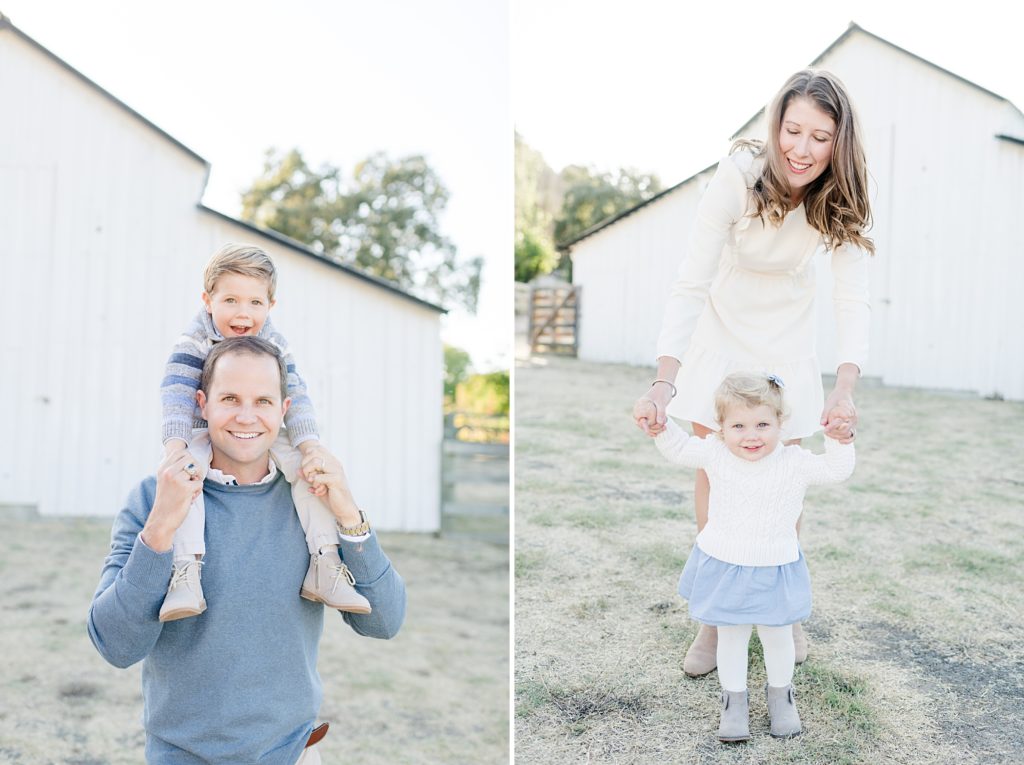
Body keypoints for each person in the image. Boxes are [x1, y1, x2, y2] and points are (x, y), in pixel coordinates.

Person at [632, 68, 872, 675]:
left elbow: (851, 298)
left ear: (839, 143)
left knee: (780, 474)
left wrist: (845, 385)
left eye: (821, 137)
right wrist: (666, 379)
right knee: (721, 466)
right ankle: (716, 620)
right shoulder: (737, 177)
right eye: (793, 130)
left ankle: (781, 613)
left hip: (788, 334)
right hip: (723, 326)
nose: (802, 149)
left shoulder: (837, 194)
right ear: (776, 125)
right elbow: (690, 281)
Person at [88, 336, 406, 764]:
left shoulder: (313, 499)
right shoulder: (151, 497)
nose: (246, 416)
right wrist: (161, 527)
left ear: (284, 410)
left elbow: (385, 623)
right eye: (230, 398)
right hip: (183, 755)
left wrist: (348, 512)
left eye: (262, 401)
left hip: (291, 752)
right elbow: (116, 646)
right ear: (202, 404)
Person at [159, 243, 369, 622]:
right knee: (187, 483)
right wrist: (176, 448)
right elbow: (176, 393)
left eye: (255, 303)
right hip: (203, 430)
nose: (243, 313)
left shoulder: (274, 343)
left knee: (310, 475)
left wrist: (309, 446)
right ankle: (185, 572)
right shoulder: (194, 339)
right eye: (231, 300)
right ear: (208, 300)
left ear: (271, 306)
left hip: (262, 432)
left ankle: (325, 561)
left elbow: (297, 394)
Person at [654, 372, 854, 741]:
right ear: (721, 428)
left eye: (763, 424)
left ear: (781, 423)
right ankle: (734, 701)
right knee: (731, 636)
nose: (751, 435)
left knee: (778, 637)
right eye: (738, 425)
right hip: (725, 562)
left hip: (774, 565)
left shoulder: (793, 461)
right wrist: (659, 425)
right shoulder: (714, 452)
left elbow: (837, 470)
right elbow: (679, 449)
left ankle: (781, 696)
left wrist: (839, 440)